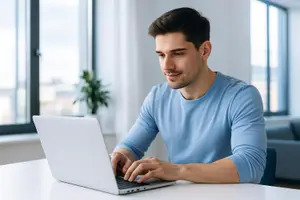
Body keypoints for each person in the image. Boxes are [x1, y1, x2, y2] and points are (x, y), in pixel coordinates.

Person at [110, 7, 266, 184]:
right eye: (161, 55)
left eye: (178, 54)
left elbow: (251, 164)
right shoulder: (157, 97)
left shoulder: (241, 96)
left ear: (205, 51)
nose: (167, 66)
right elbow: (130, 147)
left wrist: (177, 170)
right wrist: (120, 156)